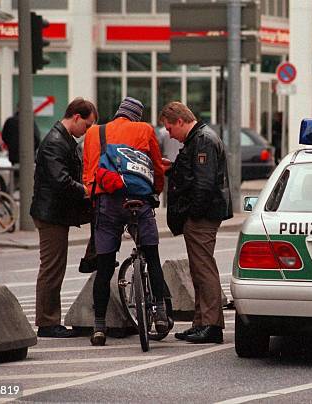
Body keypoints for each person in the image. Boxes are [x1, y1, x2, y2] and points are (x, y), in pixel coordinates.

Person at [83, 97, 167, 346]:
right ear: (136, 116)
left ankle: (99, 327)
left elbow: (89, 171)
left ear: (118, 112)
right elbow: (157, 167)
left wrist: (95, 196)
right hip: (139, 201)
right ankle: (160, 313)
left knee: (105, 266)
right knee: (151, 257)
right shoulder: (144, 130)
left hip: (107, 203)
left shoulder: (94, 133)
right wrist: (156, 192)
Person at [159, 101, 233, 344]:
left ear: (180, 121)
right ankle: (201, 322)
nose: (170, 134)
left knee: (203, 269)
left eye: (170, 128)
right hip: (203, 213)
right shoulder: (198, 138)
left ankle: (211, 325)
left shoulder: (202, 140)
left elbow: (204, 183)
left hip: (203, 215)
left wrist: (193, 213)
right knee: (198, 269)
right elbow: (194, 174)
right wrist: (173, 169)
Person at [30, 98, 97, 338]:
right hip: (51, 215)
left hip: (57, 212)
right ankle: (47, 323)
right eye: (87, 125)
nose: (87, 131)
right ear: (76, 117)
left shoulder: (64, 140)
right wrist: (85, 190)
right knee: (52, 268)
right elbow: (61, 181)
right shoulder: (55, 142)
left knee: (54, 267)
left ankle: (49, 320)